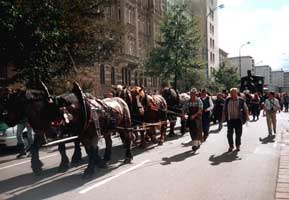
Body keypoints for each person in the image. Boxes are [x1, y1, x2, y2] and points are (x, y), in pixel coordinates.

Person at [222, 88, 249, 152]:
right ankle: (231, 146)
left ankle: (238, 146)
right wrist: (223, 117)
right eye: (230, 93)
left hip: (238, 119)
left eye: (233, 93)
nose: (231, 94)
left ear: (236, 93)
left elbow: (246, 109)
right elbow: (224, 109)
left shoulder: (241, 100)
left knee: (238, 134)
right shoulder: (227, 100)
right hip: (230, 119)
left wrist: (247, 116)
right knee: (229, 134)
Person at [182, 88, 203, 152]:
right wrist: (183, 114)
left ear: (195, 94)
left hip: (197, 118)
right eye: (191, 94)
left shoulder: (198, 100)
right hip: (190, 118)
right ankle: (196, 143)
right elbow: (184, 109)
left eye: (193, 94)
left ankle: (195, 145)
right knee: (191, 131)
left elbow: (200, 109)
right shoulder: (187, 101)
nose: (192, 95)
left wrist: (194, 115)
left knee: (197, 131)